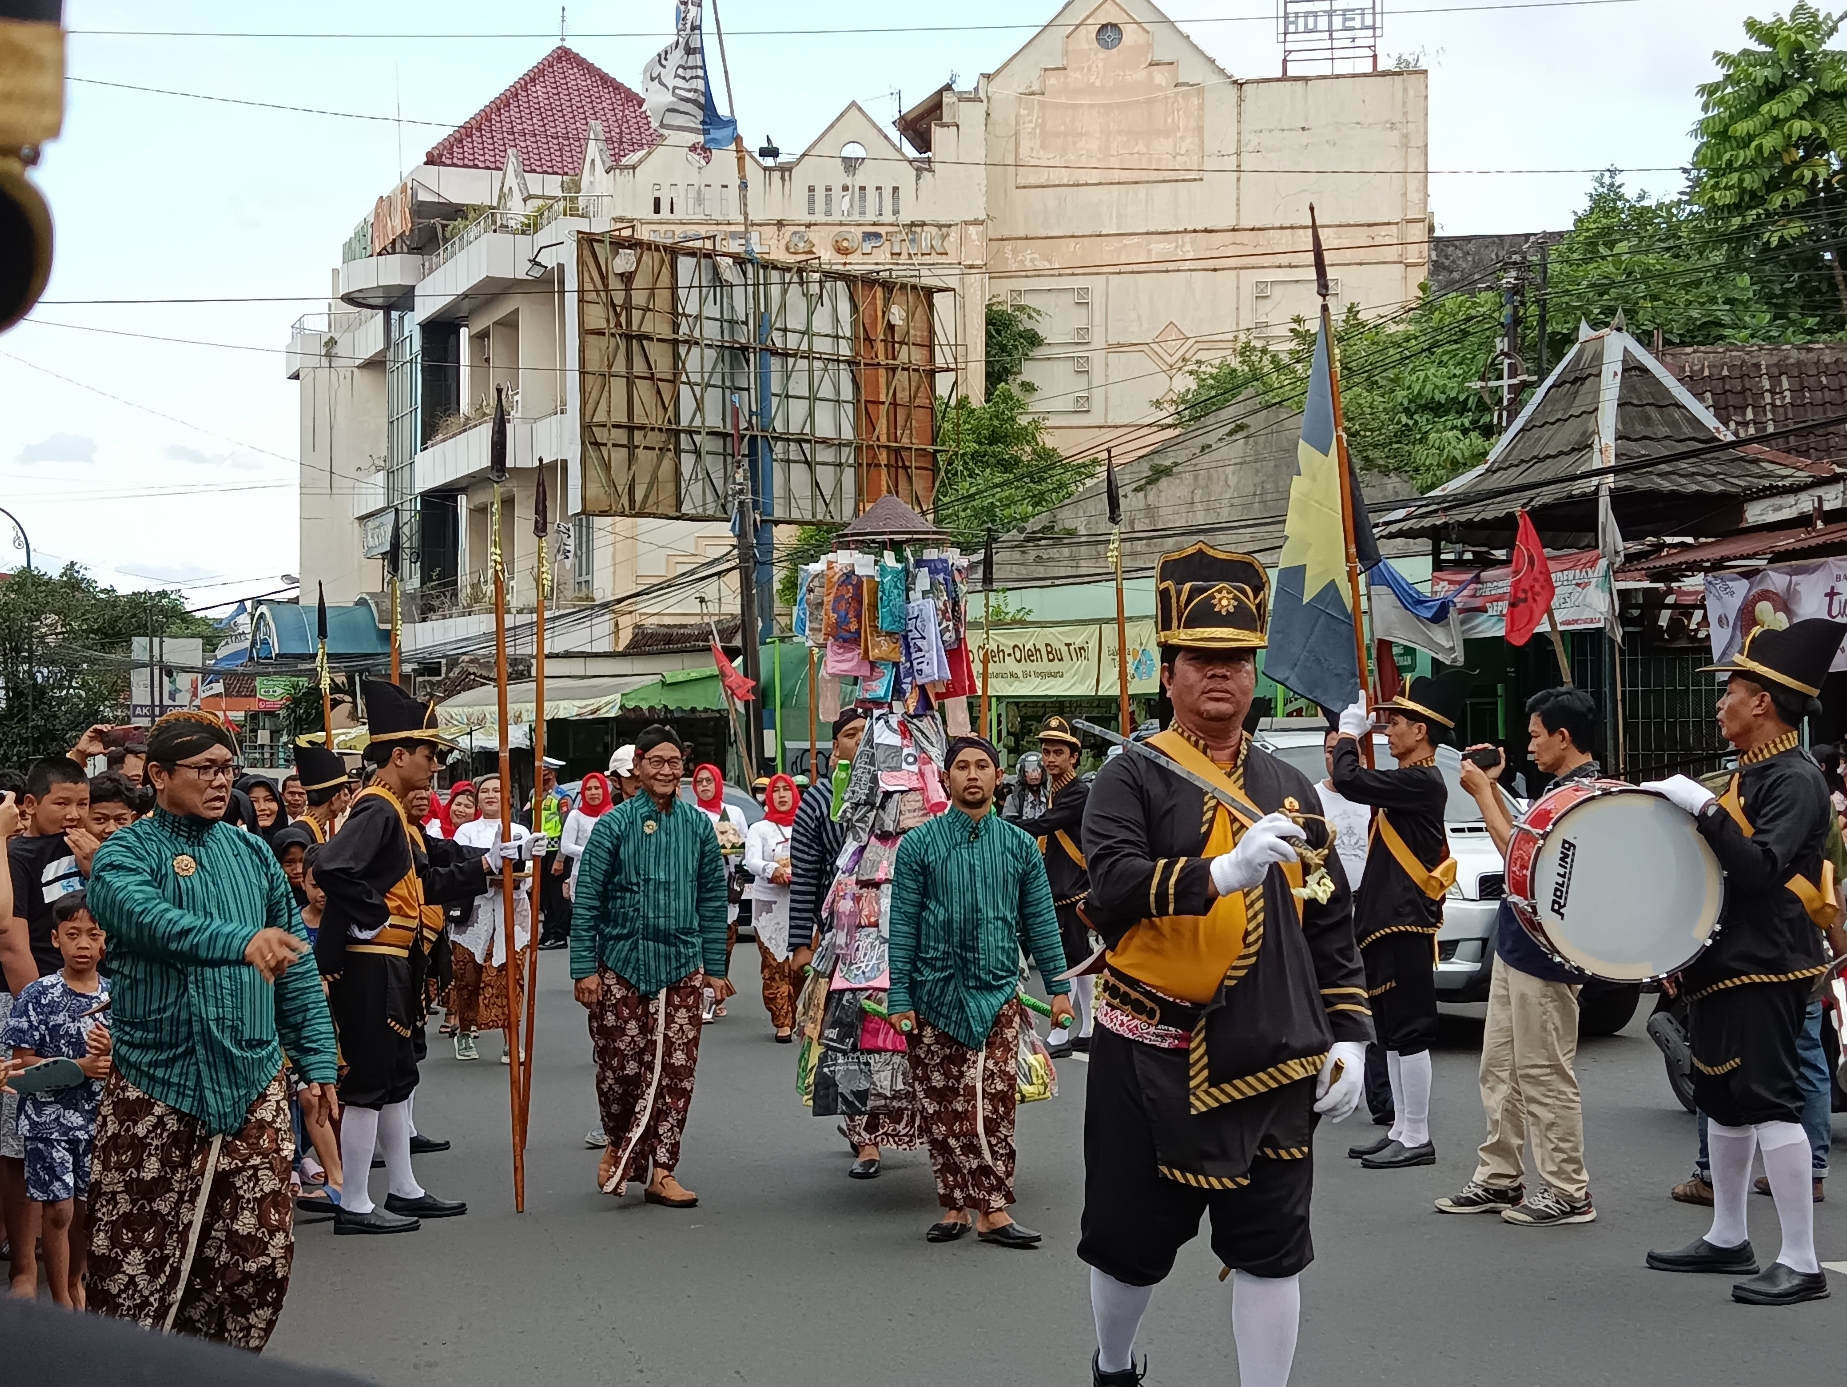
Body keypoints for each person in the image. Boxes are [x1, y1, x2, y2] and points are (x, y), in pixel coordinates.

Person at [1077, 544, 1369, 1387]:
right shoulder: (1127, 776)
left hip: (1272, 1050)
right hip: (1149, 1053)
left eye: (1236, 660)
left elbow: (1328, 917)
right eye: (1202, 659)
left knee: (1271, 1248)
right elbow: (1112, 885)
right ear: (1168, 672)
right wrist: (1220, 873)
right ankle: (1113, 1361)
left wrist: (1350, 1033)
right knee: (1129, 1246)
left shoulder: (1290, 786)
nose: (1222, 675)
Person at [83, 709, 338, 1348]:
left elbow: (296, 965)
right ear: (159, 775)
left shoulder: (252, 852)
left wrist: (318, 1063)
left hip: (253, 1076)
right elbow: (147, 920)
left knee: (258, 1262)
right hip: (154, 1080)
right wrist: (240, 941)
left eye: (229, 769)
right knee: (133, 1266)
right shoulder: (124, 853)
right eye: (206, 770)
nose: (222, 782)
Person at [1641, 618, 1844, 1306]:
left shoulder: (1795, 779)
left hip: (1765, 962)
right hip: (1723, 959)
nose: (1720, 701)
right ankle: (1728, 1234)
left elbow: (1757, 870)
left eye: (1730, 689)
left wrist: (1700, 805)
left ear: (1762, 702)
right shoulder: (1751, 773)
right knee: (1722, 1100)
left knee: (1767, 1100)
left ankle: (1801, 1258)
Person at [315, 680, 499, 1235]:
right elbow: (330, 867)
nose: (435, 765)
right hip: (371, 959)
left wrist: (488, 865)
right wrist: (367, 912)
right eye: (428, 754)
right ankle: (354, 1202)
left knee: (396, 1075)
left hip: (396, 961)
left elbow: (419, 883)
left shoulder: (394, 812)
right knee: (369, 1080)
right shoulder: (377, 809)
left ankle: (402, 1186)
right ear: (399, 756)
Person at [886, 734, 1073, 1247]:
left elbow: (1040, 922)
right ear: (946, 778)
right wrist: (900, 997)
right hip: (933, 995)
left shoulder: (1017, 846)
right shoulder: (919, 845)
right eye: (962, 767)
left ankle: (992, 1208)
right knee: (941, 1103)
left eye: (982, 766)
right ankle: (953, 1205)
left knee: (992, 1103)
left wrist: (1058, 987)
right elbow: (901, 926)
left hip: (996, 996)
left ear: (998, 777)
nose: (972, 775)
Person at [1439, 686, 1600, 1225]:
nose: (1529, 745)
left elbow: (1522, 861)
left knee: (1543, 1070)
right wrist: (1498, 788)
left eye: (1535, 735)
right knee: (1501, 1068)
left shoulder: (1584, 796)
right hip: (1518, 944)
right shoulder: (1559, 788)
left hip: (1548, 954)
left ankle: (1567, 1190)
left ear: (1563, 736)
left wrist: (1485, 794)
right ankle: (1500, 1177)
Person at [572, 724, 730, 1209]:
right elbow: (587, 901)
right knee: (619, 1069)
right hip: (620, 964)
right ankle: (620, 1142)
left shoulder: (699, 826)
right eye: (655, 762)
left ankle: (663, 1170)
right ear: (636, 767)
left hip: (680, 965)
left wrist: (716, 968)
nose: (665, 771)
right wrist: (584, 968)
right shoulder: (613, 825)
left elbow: (712, 896)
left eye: (673, 763)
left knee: (675, 1071)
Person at [1332, 670, 1471, 1171]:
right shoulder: (1409, 781)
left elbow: (1349, 780)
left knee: (1408, 1031)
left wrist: (1349, 734)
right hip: (1384, 920)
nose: (1389, 731)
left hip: (1404, 923)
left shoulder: (1423, 780)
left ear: (1423, 732)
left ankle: (1417, 1135)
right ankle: (1398, 1128)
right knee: (1389, 1031)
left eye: (1399, 723)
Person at [788, 706, 917, 1175]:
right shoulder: (820, 802)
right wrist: (802, 941)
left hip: (905, 932)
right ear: (835, 746)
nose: (861, 741)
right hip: (847, 940)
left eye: (870, 734)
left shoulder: (912, 792)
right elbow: (805, 879)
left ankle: (907, 1122)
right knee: (849, 1036)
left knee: (904, 1033)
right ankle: (864, 1138)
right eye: (850, 734)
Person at [5, 891, 110, 1307]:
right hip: (47, 1122)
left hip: (98, 1121)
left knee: (85, 1212)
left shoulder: (116, 998)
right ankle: (62, 1300)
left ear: (105, 942)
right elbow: (20, 1066)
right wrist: (77, 1066)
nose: (82, 944)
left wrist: (112, 1054)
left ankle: (76, 1282)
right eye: (72, 934)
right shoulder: (38, 995)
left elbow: (137, 1062)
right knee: (58, 1211)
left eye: (92, 934)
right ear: (55, 939)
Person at [448, 774, 534, 1065]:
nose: (491, 795)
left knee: (511, 976)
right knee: (468, 974)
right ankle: (466, 1031)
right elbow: (459, 869)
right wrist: (486, 878)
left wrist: (514, 880)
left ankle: (511, 1039)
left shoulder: (520, 830)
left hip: (511, 914)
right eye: (485, 791)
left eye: (497, 790)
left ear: (507, 796)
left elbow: (529, 872)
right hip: (475, 914)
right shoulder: (466, 833)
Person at [1022, 717, 1093, 1058]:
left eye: (1058, 752)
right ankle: (1087, 1029)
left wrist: (1003, 825)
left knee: (1066, 961)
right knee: (1077, 959)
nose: (1050, 759)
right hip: (1060, 885)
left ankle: (1061, 1034)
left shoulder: (1077, 793)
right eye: (1046, 752)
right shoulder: (1058, 790)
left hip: (1071, 888)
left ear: (1074, 758)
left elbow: (1045, 825)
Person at [742, 773, 801, 1042]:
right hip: (769, 903)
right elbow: (750, 860)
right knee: (774, 963)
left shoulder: (805, 823)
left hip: (801, 902)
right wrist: (772, 868)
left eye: (785, 790)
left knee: (802, 963)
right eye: (775, 791)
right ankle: (782, 1020)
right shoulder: (760, 829)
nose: (780, 795)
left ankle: (800, 1015)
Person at [692, 761, 748, 1021]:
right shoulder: (691, 814)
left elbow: (744, 848)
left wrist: (731, 848)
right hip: (698, 887)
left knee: (724, 942)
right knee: (701, 941)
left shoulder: (733, 812)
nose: (704, 786)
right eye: (700, 781)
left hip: (726, 889)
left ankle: (718, 991)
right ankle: (702, 996)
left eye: (709, 781)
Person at [531, 758, 571, 951]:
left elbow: (566, 830)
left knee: (557, 899)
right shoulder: (534, 795)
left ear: (552, 774)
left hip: (557, 852)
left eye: (544, 773)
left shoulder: (562, 797)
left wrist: (560, 860)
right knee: (544, 897)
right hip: (540, 853)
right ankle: (547, 932)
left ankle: (559, 935)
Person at [288, 742, 352, 845]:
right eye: (342, 793)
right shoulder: (300, 833)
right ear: (334, 799)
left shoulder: (311, 828)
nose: (344, 801)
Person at [559, 771, 614, 890]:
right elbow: (566, 846)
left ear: (604, 790)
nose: (593, 792)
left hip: (610, 876)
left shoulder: (613, 814)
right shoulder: (576, 815)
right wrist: (592, 852)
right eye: (589, 789)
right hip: (582, 875)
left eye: (597, 788)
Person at [1002, 752, 1049, 823]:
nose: (1034, 774)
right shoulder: (1014, 799)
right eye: (1028, 770)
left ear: (1043, 772)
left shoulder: (1051, 797)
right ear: (1023, 773)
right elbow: (1008, 826)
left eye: (1038, 770)